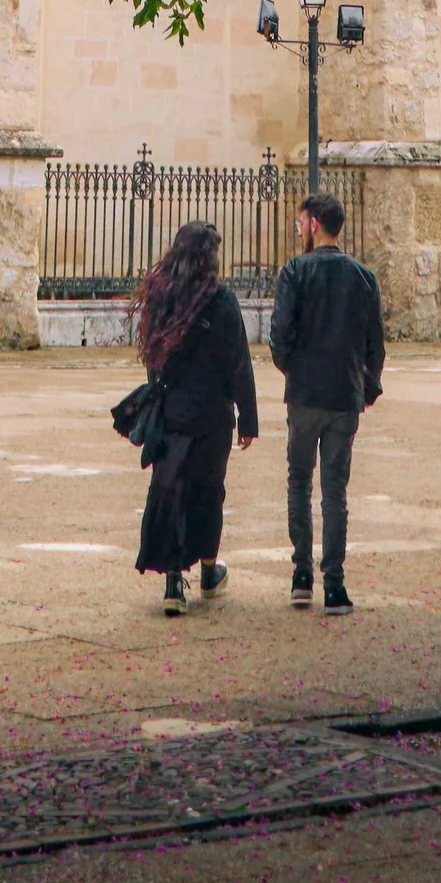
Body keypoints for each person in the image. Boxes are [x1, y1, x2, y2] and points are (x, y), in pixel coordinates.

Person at [130, 217, 259, 616]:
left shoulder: (161, 297)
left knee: (172, 491)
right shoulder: (220, 301)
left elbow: (154, 357)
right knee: (208, 492)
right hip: (211, 414)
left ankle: (173, 581)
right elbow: (238, 364)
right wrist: (248, 418)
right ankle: (206, 569)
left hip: (172, 410)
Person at [266, 191, 383, 612]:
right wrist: (364, 389)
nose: (299, 229)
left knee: (299, 480)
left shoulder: (295, 271)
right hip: (343, 395)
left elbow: (280, 333)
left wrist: (292, 370)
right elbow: (375, 346)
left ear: (314, 224)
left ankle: (302, 574)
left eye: (301, 222)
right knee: (335, 491)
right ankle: (335, 583)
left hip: (305, 393)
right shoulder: (363, 277)